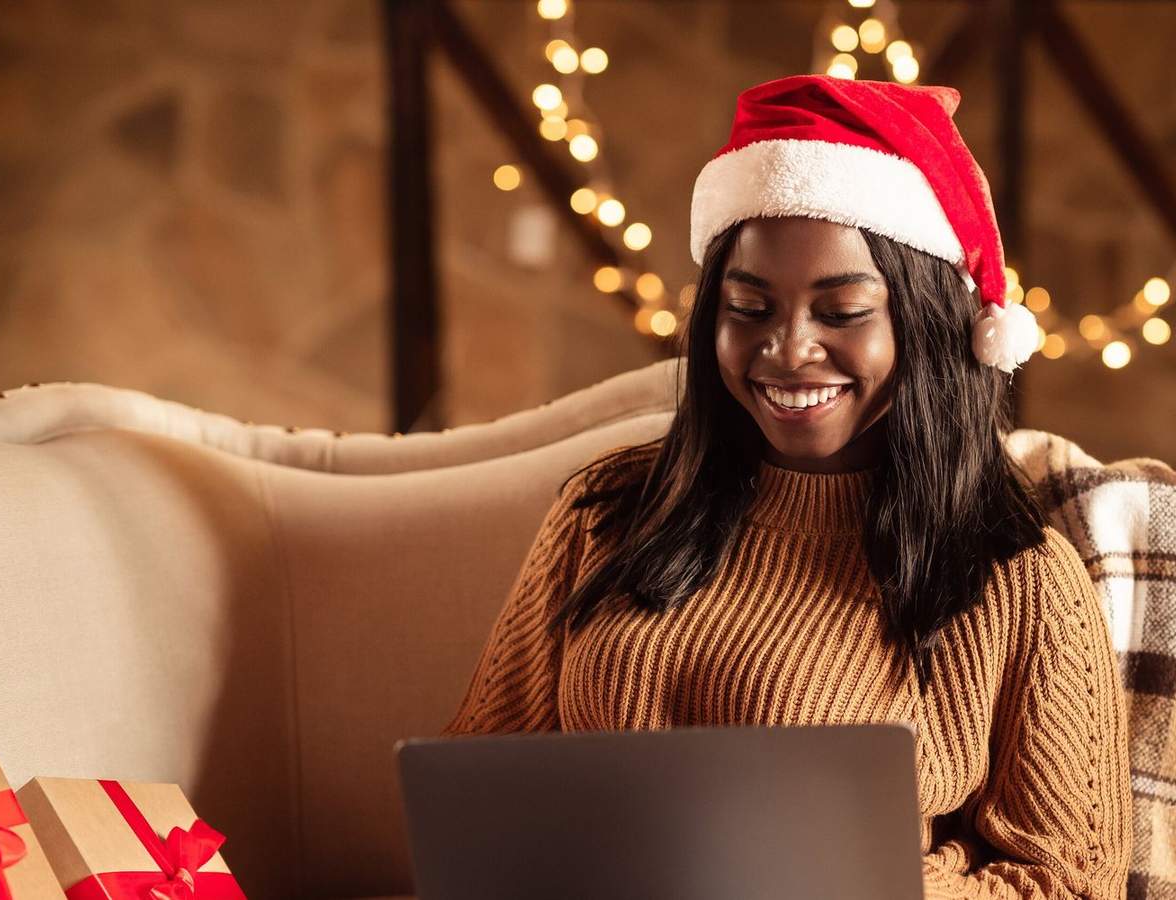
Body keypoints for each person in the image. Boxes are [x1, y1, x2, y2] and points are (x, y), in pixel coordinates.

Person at [444, 74, 1131, 899]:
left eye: (841, 313)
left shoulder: (1019, 583)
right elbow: (478, 779)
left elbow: (1068, 884)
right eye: (749, 306)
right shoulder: (606, 513)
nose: (787, 350)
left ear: (927, 324)